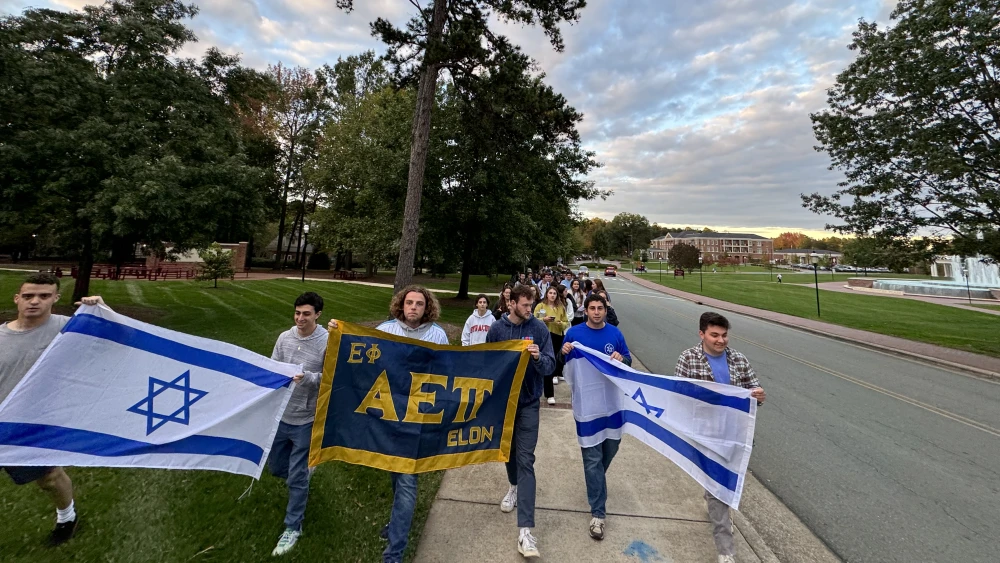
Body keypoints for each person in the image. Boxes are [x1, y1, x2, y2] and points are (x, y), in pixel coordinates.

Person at [329, 286, 447, 563]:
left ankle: (394, 553)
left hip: (417, 417)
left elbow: (445, 373)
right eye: (409, 302)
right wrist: (338, 333)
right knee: (395, 474)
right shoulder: (386, 330)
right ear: (401, 305)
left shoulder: (437, 335)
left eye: (419, 303)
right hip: (386, 418)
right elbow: (363, 361)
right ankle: (397, 523)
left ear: (427, 307)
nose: (414, 307)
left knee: (406, 479)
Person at [1, 273, 105, 546]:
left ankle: (67, 518)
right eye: (28, 296)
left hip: (31, 421)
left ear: (56, 298)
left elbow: (115, 339)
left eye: (44, 296)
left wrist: (100, 310)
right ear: (17, 299)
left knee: (48, 478)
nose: (35, 302)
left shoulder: (69, 330)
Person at [673, 312, 766, 563]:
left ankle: (718, 504)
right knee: (717, 490)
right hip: (705, 436)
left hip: (734, 434)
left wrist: (757, 395)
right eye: (714, 335)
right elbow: (679, 395)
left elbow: (752, 386)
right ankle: (726, 551)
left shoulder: (738, 359)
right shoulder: (688, 358)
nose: (721, 340)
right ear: (702, 334)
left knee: (724, 484)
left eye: (724, 335)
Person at [487, 284, 555, 559]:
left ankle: (526, 531)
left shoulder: (538, 329)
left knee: (526, 459)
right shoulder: (496, 330)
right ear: (512, 303)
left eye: (532, 305)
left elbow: (551, 366)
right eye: (526, 305)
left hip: (528, 403)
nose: (530, 310)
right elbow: (486, 365)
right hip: (504, 404)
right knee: (510, 453)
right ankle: (513, 487)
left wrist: (538, 358)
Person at [560, 293, 631, 541]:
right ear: (586, 310)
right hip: (587, 408)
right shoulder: (574, 334)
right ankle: (598, 514)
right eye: (592, 308)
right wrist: (565, 351)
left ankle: (596, 483)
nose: (597, 312)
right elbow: (566, 366)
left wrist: (623, 358)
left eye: (601, 308)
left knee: (609, 451)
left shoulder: (615, 335)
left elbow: (628, 360)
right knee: (592, 459)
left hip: (612, 406)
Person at [267, 292, 327, 556]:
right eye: (297, 313)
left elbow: (332, 377)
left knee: (297, 478)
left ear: (317, 315)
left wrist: (308, 378)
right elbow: (272, 366)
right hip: (282, 414)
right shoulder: (284, 337)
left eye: (306, 314)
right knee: (277, 468)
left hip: (307, 418)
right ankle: (302, 473)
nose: (300, 318)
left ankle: (293, 527)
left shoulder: (327, 341)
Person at [534, 286, 569, 405]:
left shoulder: (560, 307)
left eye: (554, 293)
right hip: (543, 335)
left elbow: (566, 322)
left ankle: (550, 393)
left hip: (557, 335)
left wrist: (561, 323)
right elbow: (534, 319)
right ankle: (540, 391)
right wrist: (544, 319)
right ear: (547, 294)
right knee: (539, 361)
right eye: (550, 293)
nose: (553, 295)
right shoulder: (540, 306)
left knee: (552, 361)